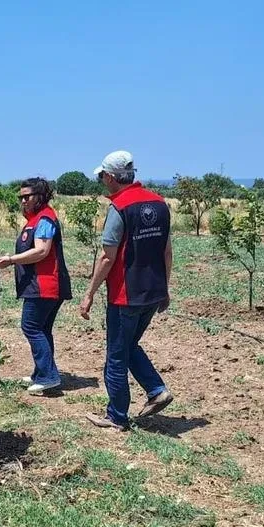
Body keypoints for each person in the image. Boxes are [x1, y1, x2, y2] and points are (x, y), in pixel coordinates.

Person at [78, 150, 174, 430]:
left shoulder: (118, 208)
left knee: (117, 355)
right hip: (153, 293)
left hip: (125, 295)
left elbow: (107, 257)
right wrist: (165, 289)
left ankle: (116, 416)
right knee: (129, 346)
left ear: (110, 176)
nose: (102, 181)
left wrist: (89, 293)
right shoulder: (159, 204)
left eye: (102, 177)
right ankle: (157, 391)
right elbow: (166, 251)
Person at [0, 177, 72, 395]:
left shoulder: (44, 219)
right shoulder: (36, 219)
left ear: (40, 197)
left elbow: (41, 251)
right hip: (41, 285)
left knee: (31, 327)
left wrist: (11, 259)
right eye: (21, 197)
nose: (22, 201)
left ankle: (48, 376)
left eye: (27, 197)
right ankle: (42, 373)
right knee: (42, 329)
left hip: (45, 285)